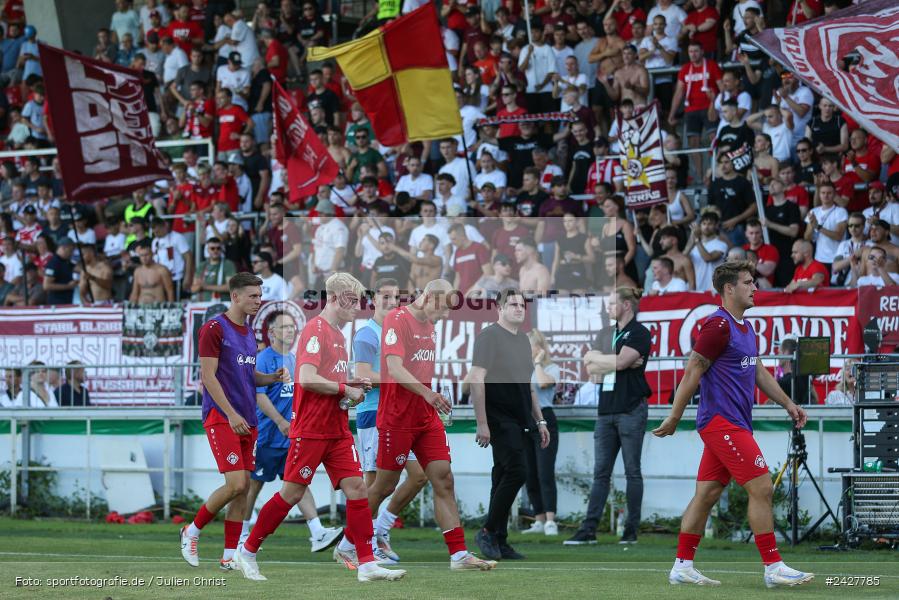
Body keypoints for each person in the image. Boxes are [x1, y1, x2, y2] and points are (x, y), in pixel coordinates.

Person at [234, 273, 405, 583]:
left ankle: (366, 564)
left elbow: (329, 382)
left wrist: (351, 385)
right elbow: (308, 378)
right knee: (290, 494)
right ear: (337, 299)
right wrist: (345, 390)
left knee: (357, 490)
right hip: (311, 429)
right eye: (353, 301)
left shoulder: (338, 335)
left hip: (336, 429)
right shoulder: (316, 329)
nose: (358, 307)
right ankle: (246, 552)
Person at [653, 261, 813, 588]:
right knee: (763, 487)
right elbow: (693, 370)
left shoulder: (745, 327)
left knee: (707, 493)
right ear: (729, 289)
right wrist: (673, 417)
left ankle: (682, 566)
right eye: (748, 282)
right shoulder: (718, 326)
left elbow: (759, 373)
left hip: (732, 423)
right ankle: (773, 567)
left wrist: (788, 404)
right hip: (721, 423)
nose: (755, 288)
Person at [365, 279, 497, 571]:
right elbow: (395, 368)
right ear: (428, 297)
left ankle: (459, 555)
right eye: (444, 308)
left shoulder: (430, 325)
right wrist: (429, 394)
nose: (447, 315)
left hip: (426, 417)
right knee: (383, 485)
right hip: (397, 418)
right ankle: (352, 543)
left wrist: (431, 399)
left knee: (443, 479)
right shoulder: (397, 319)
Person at [179, 273, 288, 570]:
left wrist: (271, 377)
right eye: (253, 296)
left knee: (242, 489)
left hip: (248, 419)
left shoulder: (250, 332)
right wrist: (230, 413)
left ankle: (229, 555)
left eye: (260, 295)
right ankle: (192, 531)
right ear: (235, 296)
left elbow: (249, 377)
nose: (258, 300)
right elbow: (208, 377)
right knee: (237, 482)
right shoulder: (214, 328)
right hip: (223, 417)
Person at [241, 311, 344, 555]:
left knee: (298, 481)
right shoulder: (264, 358)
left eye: (292, 327)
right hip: (269, 434)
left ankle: (317, 532)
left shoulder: (296, 359)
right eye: (284, 327)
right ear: (272, 332)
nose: (290, 331)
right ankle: (242, 532)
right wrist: (278, 421)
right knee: (254, 484)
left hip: (292, 434)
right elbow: (259, 395)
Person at [566, 287, 650, 545]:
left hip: (631, 408)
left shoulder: (639, 332)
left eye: (612, 303)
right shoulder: (605, 333)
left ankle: (630, 531)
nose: (607, 307)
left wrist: (603, 359)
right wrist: (611, 360)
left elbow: (620, 363)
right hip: (606, 410)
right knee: (600, 473)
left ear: (627, 305)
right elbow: (591, 369)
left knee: (632, 471)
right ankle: (588, 530)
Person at [351, 279, 428, 563]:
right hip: (373, 414)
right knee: (373, 483)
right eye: (385, 296)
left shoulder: (399, 330)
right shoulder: (367, 334)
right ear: (372, 299)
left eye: (396, 297)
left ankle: (378, 531)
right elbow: (362, 374)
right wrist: (399, 377)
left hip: (397, 415)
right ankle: (363, 545)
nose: (392, 301)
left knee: (418, 476)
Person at [471, 289, 550, 561]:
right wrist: (482, 422)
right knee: (518, 471)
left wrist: (539, 419)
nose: (518, 308)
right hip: (497, 418)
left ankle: (499, 540)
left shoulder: (523, 342)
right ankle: (488, 530)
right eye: (512, 304)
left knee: (501, 476)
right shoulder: (489, 337)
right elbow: (477, 379)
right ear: (499, 308)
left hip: (520, 420)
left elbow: (528, 386)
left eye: (521, 305)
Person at [522, 330, 561, 537]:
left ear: (540, 348)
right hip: (527, 420)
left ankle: (550, 520)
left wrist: (537, 363)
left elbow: (544, 383)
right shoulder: (523, 367)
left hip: (546, 418)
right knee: (530, 472)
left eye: (531, 346)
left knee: (545, 472)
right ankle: (538, 518)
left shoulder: (551, 367)